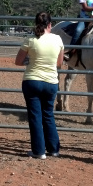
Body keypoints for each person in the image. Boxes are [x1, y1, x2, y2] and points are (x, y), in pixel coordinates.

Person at [15, 12, 64, 159]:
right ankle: (54, 149)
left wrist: (29, 61)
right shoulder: (58, 39)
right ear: (50, 25)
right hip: (51, 82)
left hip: (32, 81)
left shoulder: (30, 39)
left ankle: (38, 151)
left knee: (35, 116)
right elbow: (59, 63)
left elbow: (18, 61)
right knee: (48, 115)